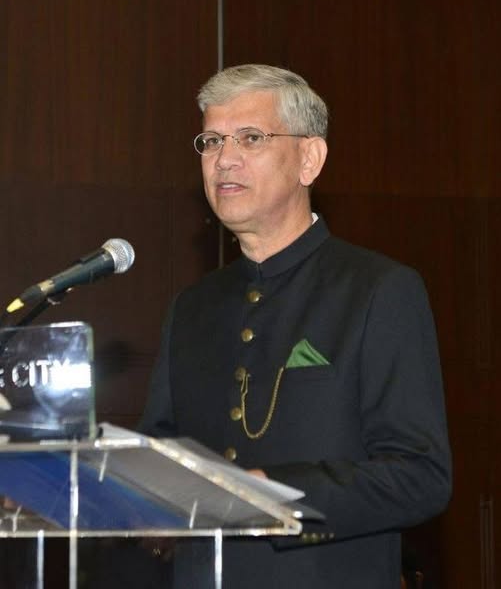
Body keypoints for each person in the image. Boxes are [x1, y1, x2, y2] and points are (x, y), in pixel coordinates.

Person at [139, 64, 452, 588]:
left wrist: (273, 493)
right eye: (211, 141)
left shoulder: (378, 290)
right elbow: (160, 450)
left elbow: (422, 476)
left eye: (250, 138)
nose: (224, 158)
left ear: (310, 159)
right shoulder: (192, 307)